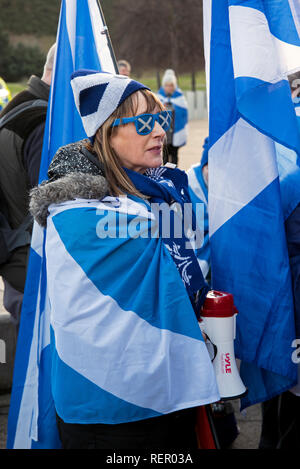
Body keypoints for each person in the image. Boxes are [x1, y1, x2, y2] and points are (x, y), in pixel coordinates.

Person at [29, 70, 220, 449]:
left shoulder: (155, 189)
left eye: (162, 118)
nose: (160, 131)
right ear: (107, 133)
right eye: (144, 122)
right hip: (111, 405)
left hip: (164, 390)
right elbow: (189, 242)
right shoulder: (75, 211)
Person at [0, 43, 56, 327]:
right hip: (34, 267)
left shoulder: (21, 106)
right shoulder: (42, 121)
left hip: (18, 261)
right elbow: (52, 206)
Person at [157, 69, 188, 166]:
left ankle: (174, 173)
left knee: (174, 154)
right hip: (165, 131)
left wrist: (173, 108)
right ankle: (165, 174)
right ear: (163, 85)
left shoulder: (179, 97)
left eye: (171, 85)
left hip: (175, 130)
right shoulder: (159, 96)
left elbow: (184, 112)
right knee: (164, 155)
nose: (169, 87)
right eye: (167, 85)